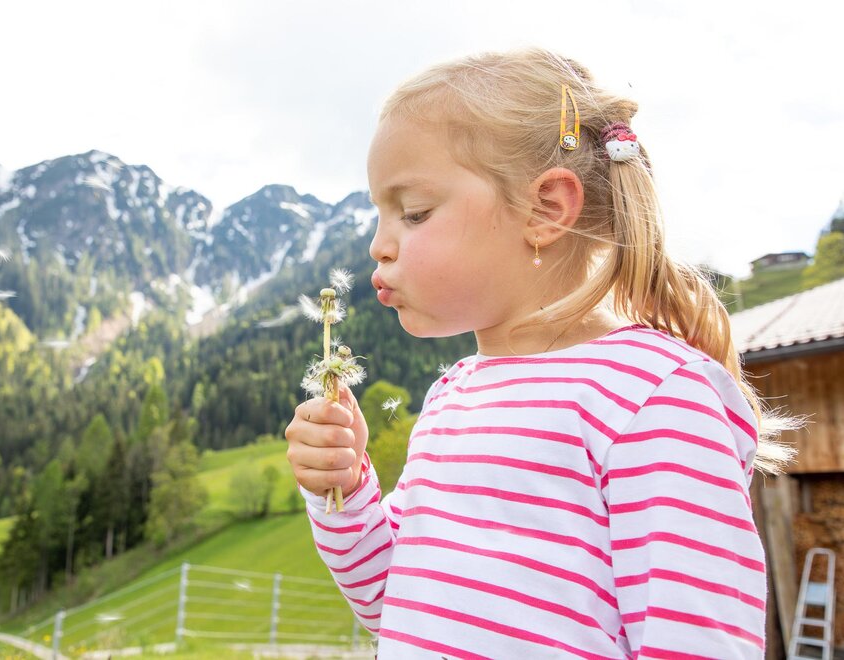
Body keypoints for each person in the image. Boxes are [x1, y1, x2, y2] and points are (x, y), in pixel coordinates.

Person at [284, 48, 793, 658]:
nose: (378, 246)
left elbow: (696, 641)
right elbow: (393, 605)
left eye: (414, 213)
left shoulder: (652, 397)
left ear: (545, 209)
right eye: (380, 215)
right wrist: (341, 493)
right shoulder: (452, 396)